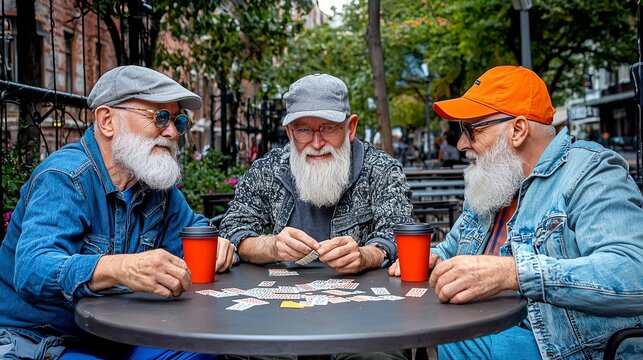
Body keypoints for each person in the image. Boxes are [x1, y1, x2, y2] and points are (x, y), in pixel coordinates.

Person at [388, 65, 643, 359]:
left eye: (471, 129)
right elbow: (450, 249)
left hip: (563, 350)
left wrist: (513, 273)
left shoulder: (590, 172)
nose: (461, 144)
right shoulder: (495, 182)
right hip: (487, 333)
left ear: (518, 130)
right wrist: (436, 260)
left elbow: (633, 272)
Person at [0, 65, 236, 359]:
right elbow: (33, 269)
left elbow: (194, 231)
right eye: (160, 117)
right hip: (44, 340)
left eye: (179, 121)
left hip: (119, 333)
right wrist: (124, 268)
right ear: (107, 120)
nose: (173, 132)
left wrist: (218, 245)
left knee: (203, 348)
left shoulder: (153, 185)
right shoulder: (64, 176)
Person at [219, 73, 413, 360]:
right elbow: (233, 229)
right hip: (272, 312)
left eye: (328, 128)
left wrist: (365, 255)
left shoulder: (382, 170)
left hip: (367, 316)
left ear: (350, 127)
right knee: (244, 352)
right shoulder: (268, 169)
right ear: (289, 133)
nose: (317, 142)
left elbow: (399, 234)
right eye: (303, 130)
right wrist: (271, 246)